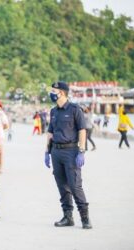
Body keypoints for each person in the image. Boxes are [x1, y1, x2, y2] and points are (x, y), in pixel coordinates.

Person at [44, 81, 92, 229]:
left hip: (71, 151)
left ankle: (85, 218)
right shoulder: (53, 111)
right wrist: (47, 151)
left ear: (62, 93)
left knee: (75, 185)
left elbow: (82, 130)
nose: (52, 93)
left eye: (54, 90)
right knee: (62, 186)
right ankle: (67, 217)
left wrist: (81, 151)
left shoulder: (74, 109)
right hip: (56, 152)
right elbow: (50, 132)